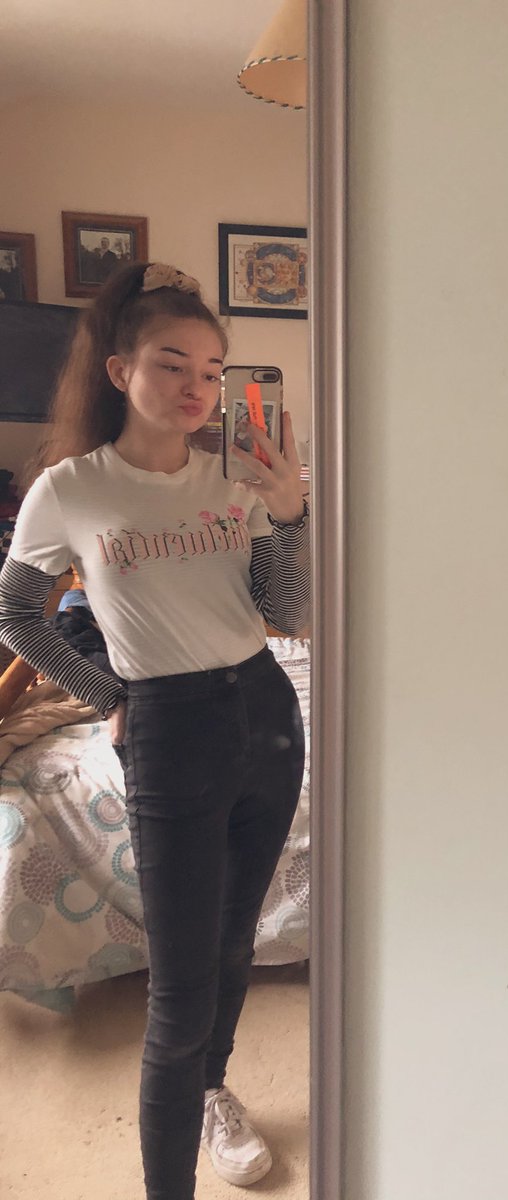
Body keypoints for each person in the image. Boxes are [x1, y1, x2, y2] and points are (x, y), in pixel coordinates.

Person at [0, 261, 310, 1199]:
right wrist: (108, 696)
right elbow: (16, 615)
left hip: (267, 714)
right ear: (119, 369)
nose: (196, 387)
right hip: (169, 728)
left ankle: (215, 1091)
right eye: (172, 364)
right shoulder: (70, 490)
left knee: (234, 942)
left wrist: (289, 511)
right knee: (177, 994)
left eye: (212, 371)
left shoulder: (235, 481)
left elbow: (286, 611)